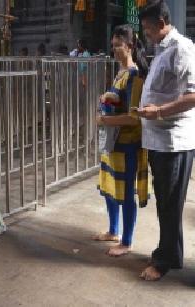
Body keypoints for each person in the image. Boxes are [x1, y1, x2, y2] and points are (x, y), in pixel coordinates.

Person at [137, 0, 195, 281]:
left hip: (174, 141)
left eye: (148, 29)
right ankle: (169, 252)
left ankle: (164, 262)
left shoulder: (182, 48)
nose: (147, 34)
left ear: (162, 23)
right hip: (159, 139)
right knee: (165, 202)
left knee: (170, 204)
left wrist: (158, 111)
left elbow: (194, 95)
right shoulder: (161, 49)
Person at [93, 24, 149, 257]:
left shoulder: (135, 76)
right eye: (113, 46)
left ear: (131, 46)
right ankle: (113, 230)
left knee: (125, 193)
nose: (115, 50)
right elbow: (119, 104)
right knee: (109, 187)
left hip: (126, 143)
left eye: (119, 46)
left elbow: (134, 117)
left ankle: (127, 241)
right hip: (113, 142)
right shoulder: (120, 72)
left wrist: (106, 121)